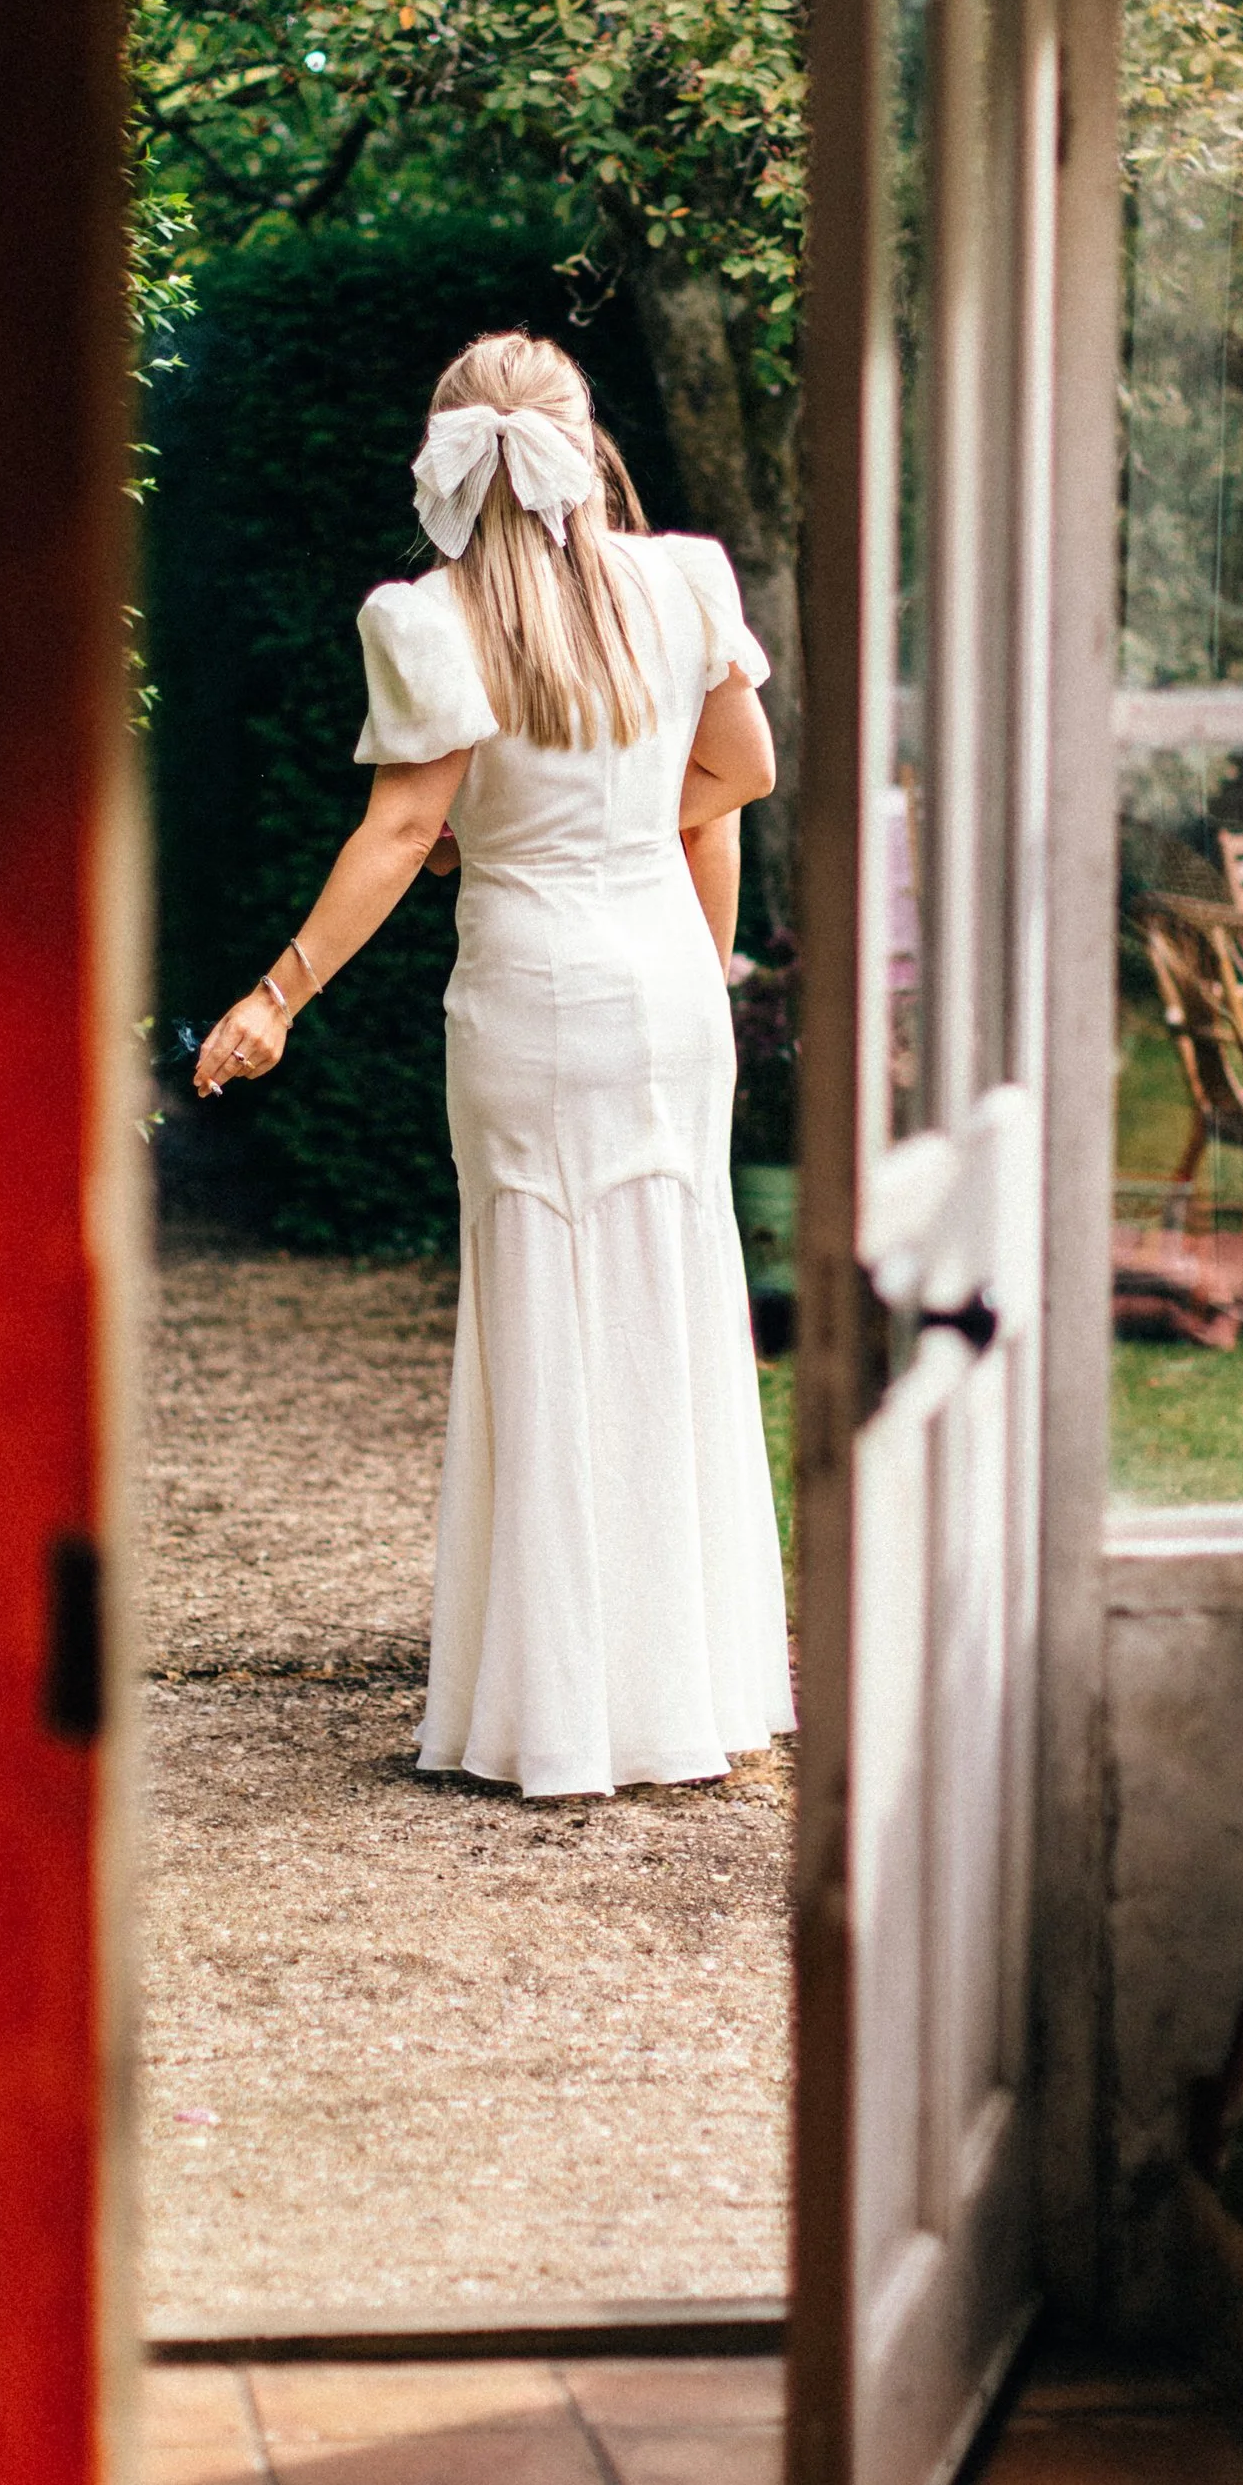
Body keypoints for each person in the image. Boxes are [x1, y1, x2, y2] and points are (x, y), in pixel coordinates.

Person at [193, 331, 795, 1800]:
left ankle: (559, 1705)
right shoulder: (686, 582)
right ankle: (692, 1687)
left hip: (530, 998)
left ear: (448, 465)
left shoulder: (428, 619)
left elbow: (404, 831)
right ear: (585, 450)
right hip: (664, 993)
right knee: (674, 1316)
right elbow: (743, 775)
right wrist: (673, 894)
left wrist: (279, 993)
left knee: (542, 1322)